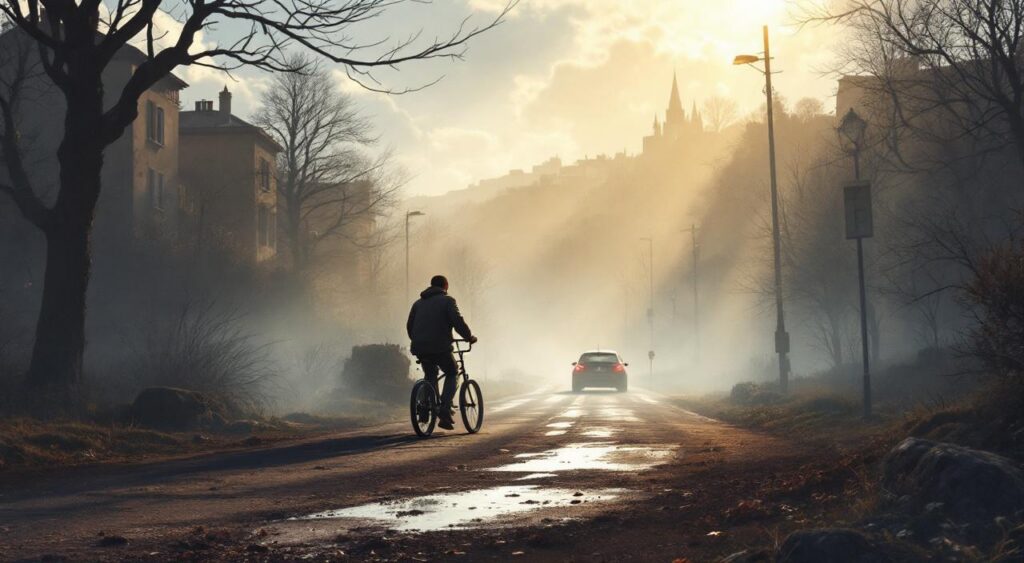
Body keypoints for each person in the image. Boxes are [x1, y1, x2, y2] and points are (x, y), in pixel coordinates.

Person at [407, 275, 478, 430]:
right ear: (445, 286)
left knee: (431, 375)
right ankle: (445, 409)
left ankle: (426, 408)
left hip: (419, 347)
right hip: (439, 347)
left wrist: (419, 340)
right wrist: (469, 337)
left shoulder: (417, 304)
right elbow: (457, 321)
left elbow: (409, 326)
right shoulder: (448, 301)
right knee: (452, 371)